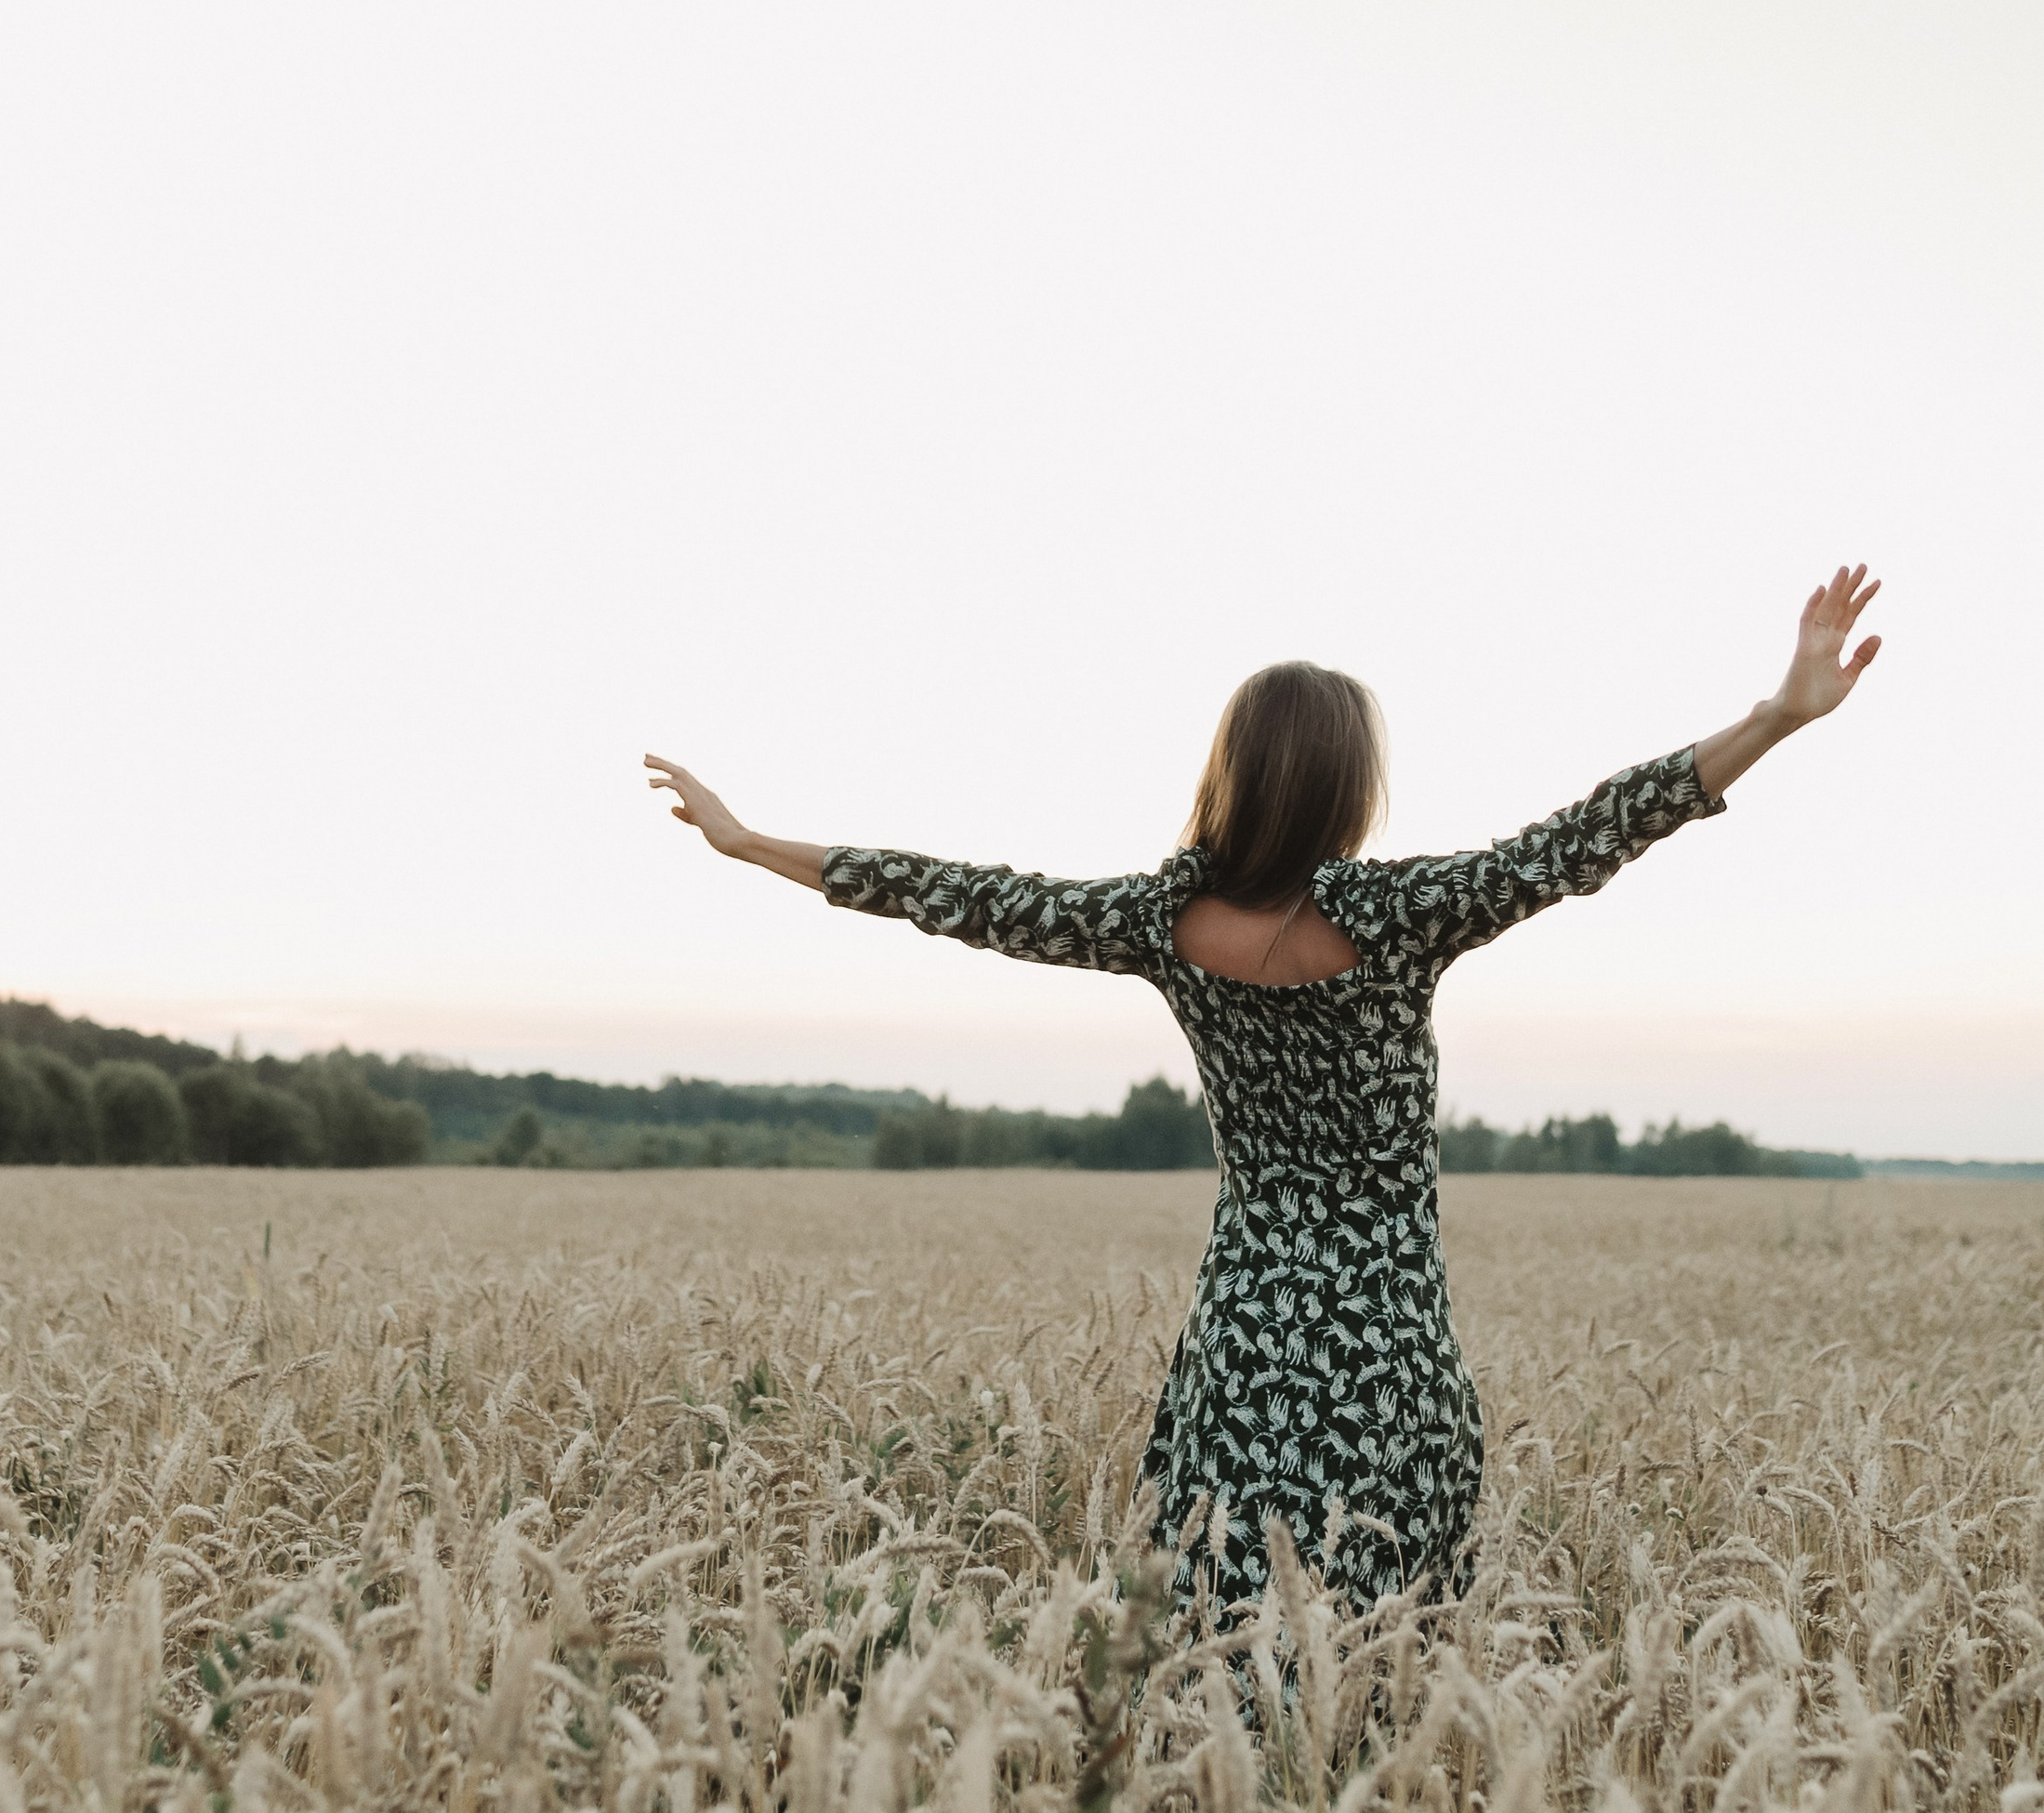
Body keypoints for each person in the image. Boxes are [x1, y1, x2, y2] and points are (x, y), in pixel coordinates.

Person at [645, 566, 1881, 1621]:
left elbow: (960, 893)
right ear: (1349, 783)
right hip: (1383, 1310)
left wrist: (754, 843)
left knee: (1221, 1571)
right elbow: (1587, 837)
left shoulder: (1156, 919)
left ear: (1232, 770)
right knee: (1387, 1575)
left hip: (1248, 1303)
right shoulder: (1400, 916)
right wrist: (1775, 716)